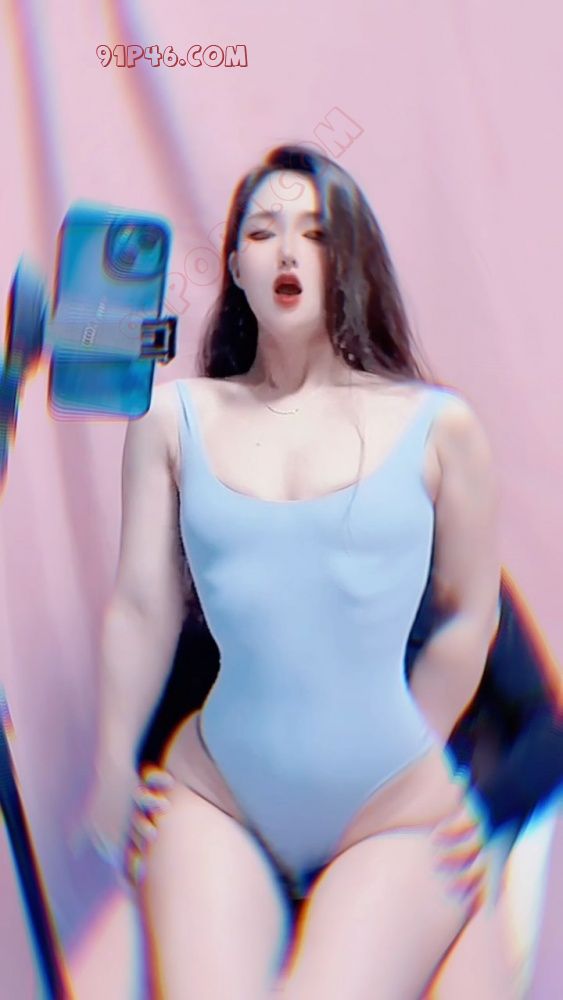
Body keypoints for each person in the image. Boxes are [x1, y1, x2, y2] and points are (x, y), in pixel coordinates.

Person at [80, 144, 504, 999]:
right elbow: (141, 607)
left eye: (313, 233)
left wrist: (411, 744)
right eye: (261, 231)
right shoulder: (169, 417)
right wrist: (114, 765)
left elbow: (472, 615)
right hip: (218, 795)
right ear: (234, 264)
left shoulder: (438, 426)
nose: (285, 251)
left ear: (349, 260)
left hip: (392, 811)